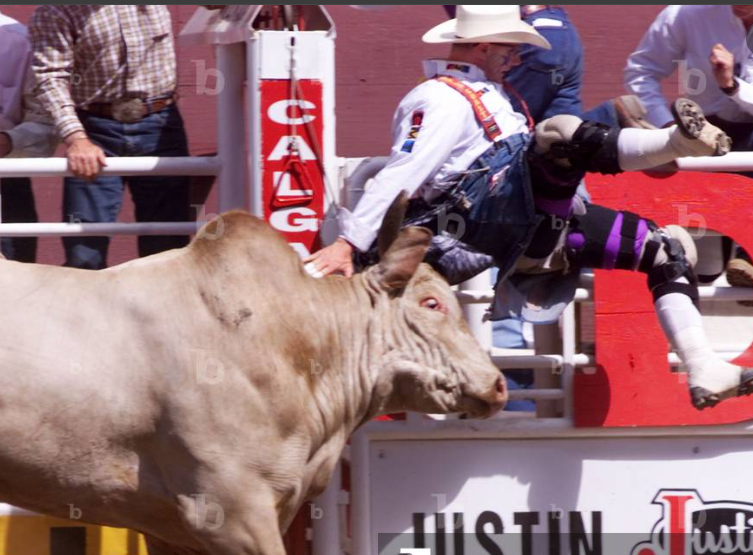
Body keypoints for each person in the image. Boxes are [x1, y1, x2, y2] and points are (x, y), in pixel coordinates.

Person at [304, 5, 752, 410]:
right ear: (483, 47)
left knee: (664, 249)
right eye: (511, 50)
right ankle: (676, 141)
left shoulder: (491, 95)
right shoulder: (440, 98)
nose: (516, 61)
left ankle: (703, 366)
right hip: (478, 230)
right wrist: (349, 241)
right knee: (558, 135)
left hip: (540, 226)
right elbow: (405, 170)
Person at [28, 5, 191, 269]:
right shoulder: (55, 10)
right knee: (84, 253)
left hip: (160, 124)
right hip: (95, 131)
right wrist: (76, 137)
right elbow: (50, 77)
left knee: (168, 251)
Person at [624, 5, 753, 295]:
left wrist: (733, 87)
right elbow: (642, 71)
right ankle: (728, 261)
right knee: (703, 270)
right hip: (703, 133)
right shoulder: (685, 14)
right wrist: (670, 128)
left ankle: (747, 256)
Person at [0, 10, 56, 262]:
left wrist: (8, 141)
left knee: (15, 289)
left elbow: (46, 125)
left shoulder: (22, 41)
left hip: (7, 180)